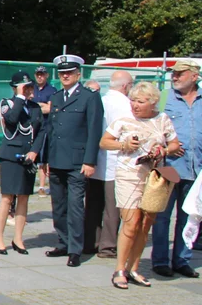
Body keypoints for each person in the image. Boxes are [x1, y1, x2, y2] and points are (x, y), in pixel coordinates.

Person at [99, 82, 179, 288]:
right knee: (131, 221)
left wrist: (164, 150)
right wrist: (123, 145)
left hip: (154, 177)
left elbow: (174, 144)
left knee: (145, 223)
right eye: (133, 100)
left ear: (152, 103)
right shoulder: (124, 120)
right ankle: (119, 269)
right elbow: (104, 142)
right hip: (128, 175)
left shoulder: (162, 119)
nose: (135, 105)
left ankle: (133, 268)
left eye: (140, 101)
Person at [45, 54, 104, 267]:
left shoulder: (90, 97)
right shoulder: (57, 97)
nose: (65, 76)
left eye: (69, 73)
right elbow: (51, 130)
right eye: (62, 73)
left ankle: (76, 250)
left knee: (75, 207)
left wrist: (90, 161)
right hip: (57, 159)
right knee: (58, 206)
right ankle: (63, 242)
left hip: (78, 162)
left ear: (78, 74)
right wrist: (46, 158)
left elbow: (94, 130)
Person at [151, 59, 202, 278]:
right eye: (174, 73)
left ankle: (182, 260)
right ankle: (160, 261)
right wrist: (165, 146)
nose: (175, 77)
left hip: (196, 169)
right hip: (168, 168)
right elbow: (150, 128)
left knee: (189, 216)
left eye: (180, 73)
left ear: (194, 76)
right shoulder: (164, 98)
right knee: (162, 217)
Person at [0, 71, 45, 255]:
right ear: (16, 88)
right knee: (7, 197)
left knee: (24, 197)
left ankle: (18, 238)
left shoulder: (35, 108)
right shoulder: (8, 104)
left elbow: (41, 131)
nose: (30, 90)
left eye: (30, 86)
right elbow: (12, 120)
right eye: (25, 87)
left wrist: (35, 151)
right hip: (10, 155)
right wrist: (20, 97)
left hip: (28, 156)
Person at [85, 70, 134, 259]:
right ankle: (108, 246)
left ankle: (91, 242)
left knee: (93, 205)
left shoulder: (100, 100)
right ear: (126, 86)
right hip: (116, 161)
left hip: (96, 160)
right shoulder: (126, 105)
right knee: (112, 208)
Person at [32, 66, 56, 195]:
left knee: (44, 159)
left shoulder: (51, 90)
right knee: (31, 156)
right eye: (37, 74)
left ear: (46, 75)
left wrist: (38, 107)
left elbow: (49, 109)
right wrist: (41, 105)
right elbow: (29, 106)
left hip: (46, 128)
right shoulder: (32, 89)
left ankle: (42, 186)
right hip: (32, 128)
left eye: (42, 74)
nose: (39, 76)